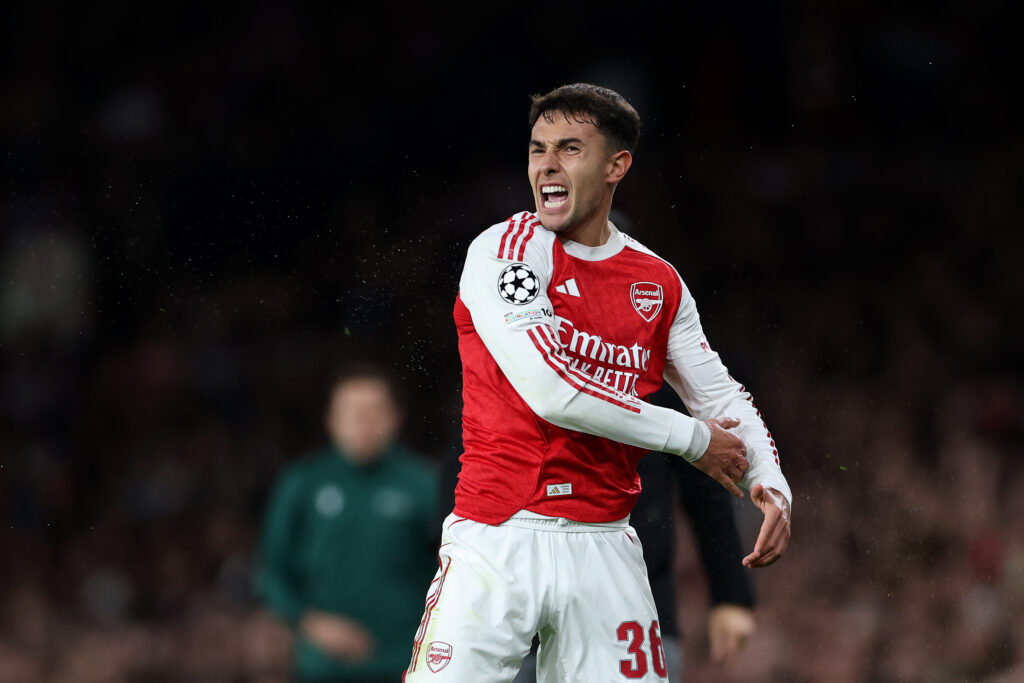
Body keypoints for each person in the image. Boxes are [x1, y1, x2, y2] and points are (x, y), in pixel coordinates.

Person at [404, 83, 791, 682]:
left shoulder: (656, 281)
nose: (547, 166)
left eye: (569, 149)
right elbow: (554, 391)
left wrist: (770, 482)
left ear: (617, 166)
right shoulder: (503, 255)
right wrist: (693, 439)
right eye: (537, 150)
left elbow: (719, 394)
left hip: (607, 545)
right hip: (498, 539)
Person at [256, 365, 438, 683]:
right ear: (330, 419)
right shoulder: (302, 483)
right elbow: (270, 569)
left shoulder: (427, 485)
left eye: (373, 411)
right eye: (351, 412)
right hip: (322, 666)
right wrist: (309, 622)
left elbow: (455, 572)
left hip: (406, 662)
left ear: (396, 416)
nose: (362, 422)